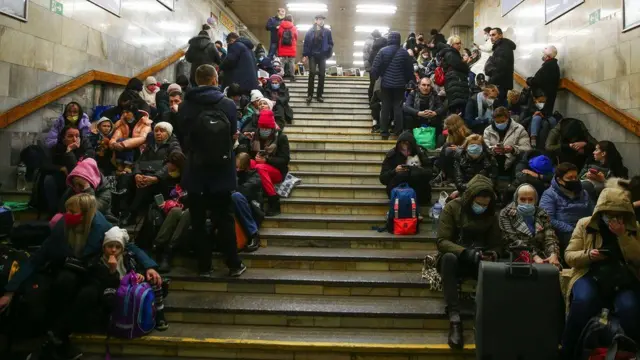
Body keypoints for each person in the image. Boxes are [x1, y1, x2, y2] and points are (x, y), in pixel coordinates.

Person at [0, 193, 159, 359]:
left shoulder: (102, 226)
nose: (67, 214)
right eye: (67, 210)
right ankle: (59, 341)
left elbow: (129, 246)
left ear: (86, 213)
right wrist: (10, 291)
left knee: (87, 294)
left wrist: (149, 266)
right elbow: (37, 258)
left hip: (92, 274)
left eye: (73, 211)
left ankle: (54, 338)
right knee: (64, 281)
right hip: (66, 272)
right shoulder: (62, 227)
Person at [179, 64, 246, 277]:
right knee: (224, 217)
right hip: (222, 169)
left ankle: (204, 267)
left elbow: (183, 137)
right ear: (215, 79)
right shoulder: (227, 104)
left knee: (198, 220)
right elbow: (233, 132)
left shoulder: (185, 105)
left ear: (197, 80)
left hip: (196, 170)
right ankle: (233, 264)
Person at [561, 186, 640, 358]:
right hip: (589, 273)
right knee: (583, 302)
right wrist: (589, 255)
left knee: (630, 308)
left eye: (618, 214)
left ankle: (629, 352)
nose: (613, 218)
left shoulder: (634, 229)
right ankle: (567, 351)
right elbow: (569, 256)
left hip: (622, 277)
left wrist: (623, 237)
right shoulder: (585, 224)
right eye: (609, 213)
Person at [436, 174, 505, 349]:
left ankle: (488, 319)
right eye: (479, 203)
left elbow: (497, 245)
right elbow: (442, 241)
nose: (481, 207)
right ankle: (454, 318)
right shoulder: (453, 207)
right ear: (470, 198)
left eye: (485, 204)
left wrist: (492, 254)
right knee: (449, 259)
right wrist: (465, 252)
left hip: (480, 259)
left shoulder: (491, 215)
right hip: (457, 257)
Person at [88, 226, 168, 331]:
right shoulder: (98, 262)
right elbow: (105, 284)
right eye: (110, 246)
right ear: (104, 248)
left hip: (130, 289)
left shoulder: (127, 257)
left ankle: (159, 314)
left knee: (154, 281)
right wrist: (112, 270)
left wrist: (139, 276)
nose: (113, 250)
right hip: (112, 292)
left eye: (117, 247)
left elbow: (134, 271)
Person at [120, 122, 182, 226]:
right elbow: (139, 162)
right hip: (146, 174)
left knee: (144, 184)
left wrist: (156, 177)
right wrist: (137, 174)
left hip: (163, 178)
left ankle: (132, 213)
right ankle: (123, 211)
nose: (158, 133)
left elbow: (172, 164)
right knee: (124, 178)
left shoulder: (173, 146)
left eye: (162, 131)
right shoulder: (150, 146)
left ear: (168, 133)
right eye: (156, 131)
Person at [238, 109, 290, 216]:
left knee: (261, 167)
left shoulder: (280, 137)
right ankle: (246, 192)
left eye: (267, 128)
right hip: (259, 165)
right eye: (262, 127)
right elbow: (250, 155)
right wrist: (247, 142)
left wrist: (267, 160)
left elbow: (285, 159)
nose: (264, 130)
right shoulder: (256, 135)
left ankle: (273, 201)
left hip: (276, 171)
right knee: (250, 162)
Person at [539, 162, 594, 257]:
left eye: (575, 177)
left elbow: (593, 212)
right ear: (559, 180)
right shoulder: (549, 195)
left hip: (585, 228)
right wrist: (572, 230)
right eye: (570, 178)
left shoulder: (583, 193)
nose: (574, 180)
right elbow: (548, 219)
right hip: (565, 231)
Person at [499, 183, 561, 266]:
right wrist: (533, 256)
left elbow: (550, 236)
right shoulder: (506, 214)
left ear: (535, 200)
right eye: (523, 199)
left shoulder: (542, 213)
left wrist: (553, 254)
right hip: (516, 255)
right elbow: (512, 239)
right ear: (516, 199)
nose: (527, 203)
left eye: (530, 199)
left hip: (541, 255)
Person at [42, 126, 95, 214]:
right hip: (61, 177)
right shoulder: (56, 148)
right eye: (70, 136)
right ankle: (54, 213)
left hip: (80, 179)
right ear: (63, 139)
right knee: (49, 180)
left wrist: (69, 151)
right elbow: (45, 165)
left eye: (77, 136)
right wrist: (60, 168)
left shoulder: (85, 150)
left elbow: (76, 170)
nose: (74, 139)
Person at [371, 31, 414, 139]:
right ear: (399, 39)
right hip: (400, 85)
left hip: (385, 84)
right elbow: (410, 70)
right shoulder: (404, 53)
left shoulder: (382, 51)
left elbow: (374, 68)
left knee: (385, 108)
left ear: (389, 39)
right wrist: (407, 80)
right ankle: (398, 132)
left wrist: (377, 77)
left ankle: (384, 132)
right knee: (398, 108)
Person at [379, 132, 433, 204]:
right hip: (398, 190)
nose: (406, 153)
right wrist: (394, 171)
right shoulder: (392, 155)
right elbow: (383, 178)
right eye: (403, 150)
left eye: (408, 150)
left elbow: (430, 173)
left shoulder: (420, 153)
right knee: (401, 175)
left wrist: (416, 169)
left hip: (418, 190)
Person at [483, 106, 531, 178]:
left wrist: (513, 149)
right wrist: (493, 149)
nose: (499, 124)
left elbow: (527, 148)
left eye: (502, 121)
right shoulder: (488, 130)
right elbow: (485, 146)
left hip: (512, 162)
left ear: (508, 119)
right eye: (497, 122)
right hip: (493, 162)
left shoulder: (519, 129)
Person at [109, 103, 153, 174]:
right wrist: (113, 144)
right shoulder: (122, 123)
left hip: (139, 151)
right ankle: (120, 164)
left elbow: (142, 138)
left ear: (134, 113)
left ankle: (128, 165)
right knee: (119, 141)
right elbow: (115, 136)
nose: (125, 115)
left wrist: (124, 144)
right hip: (122, 151)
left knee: (125, 142)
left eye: (127, 112)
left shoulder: (145, 123)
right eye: (123, 112)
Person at [233, 152, 263, 252]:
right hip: (234, 209)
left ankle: (254, 234)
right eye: (236, 167)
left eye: (239, 167)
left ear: (246, 167)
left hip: (252, 209)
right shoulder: (233, 174)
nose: (237, 169)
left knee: (236, 196)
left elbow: (243, 191)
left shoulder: (255, 177)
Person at [432, 114, 472, 186]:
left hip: (466, 162)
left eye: (448, 126)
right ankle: (443, 174)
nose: (447, 128)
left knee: (448, 149)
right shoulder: (451, 134)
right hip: (454, 161)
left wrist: (459, 149)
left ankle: (445, 176)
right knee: (446, 148)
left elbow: (471, 152)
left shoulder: (468, 135)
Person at [302, 14, 334, 104]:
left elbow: (331, 43)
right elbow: (306, 44)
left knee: (322, 75)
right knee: (312, 73)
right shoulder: (310, 31)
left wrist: (328, 50)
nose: (321, 21)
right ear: (315, 21)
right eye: (319, 19)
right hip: (312, 55)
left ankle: (319, 95)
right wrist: (305, 55)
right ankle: (310, 95)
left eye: (322, 20)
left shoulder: (327, 31)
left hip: (322, 56)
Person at [438, 36, 470, 115]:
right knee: (456, 107)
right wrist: (465, 63)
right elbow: (459, 66)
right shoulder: (451, 54)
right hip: (455, 82)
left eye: (460, 43)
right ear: (452, 44)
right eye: (457, 43)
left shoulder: (451, 53)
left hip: (454, 83)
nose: (459, 45)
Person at [484, 28, 516, 106]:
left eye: (494, 35)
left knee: (498, 107)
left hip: (500, 84)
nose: (491, 37)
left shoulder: (503, 47)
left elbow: (500, 66)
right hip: (501, 83)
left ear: (500, 35)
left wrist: (491, 80)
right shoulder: (500, 46)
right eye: (490, 35)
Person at [526, 46, 560, 117]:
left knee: (539, 118)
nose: (543, 55)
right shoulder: (553, 65)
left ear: (548, 55)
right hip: (547, 98)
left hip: (543, 99)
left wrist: (529, 80)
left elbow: (537, 81)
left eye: (544, 54)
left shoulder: (548, 66)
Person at [277, 14, 298, 81]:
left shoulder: (281, 26)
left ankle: (281, 76)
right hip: (291, 47)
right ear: (291, 19)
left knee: (282, 62)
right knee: (291, 62)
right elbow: (296, 36)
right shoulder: (294, 27)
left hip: (282, 47)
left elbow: (279, 35)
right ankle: (292, 76)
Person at [364, 29, 383, 100]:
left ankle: (371, 98)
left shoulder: (367, 41)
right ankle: (372, 98)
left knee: (372, 82)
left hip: (369, 64)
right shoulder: (372, 42)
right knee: (374, 82)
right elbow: (372, 55)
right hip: (372, 65)